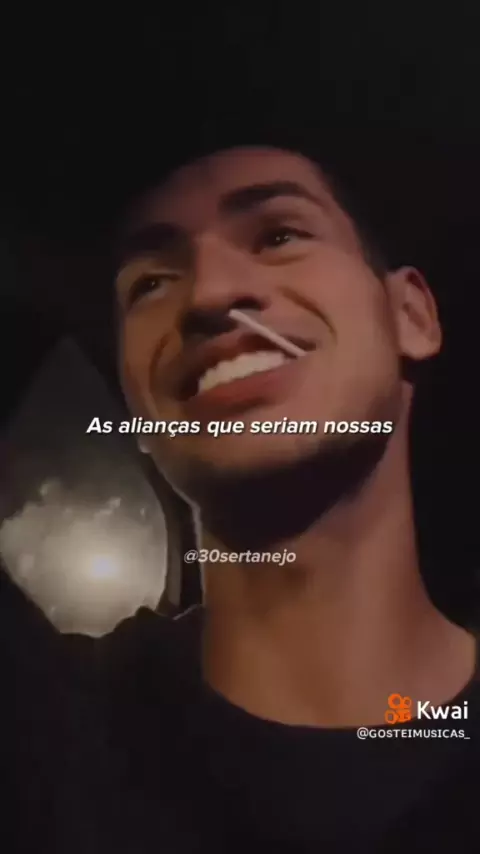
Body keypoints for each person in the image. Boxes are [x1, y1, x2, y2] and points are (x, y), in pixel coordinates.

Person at [3, 140, 480, 852]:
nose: (209, 295)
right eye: (150, 284)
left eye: (279, 236)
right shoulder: (43, 730)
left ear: (411, 313)